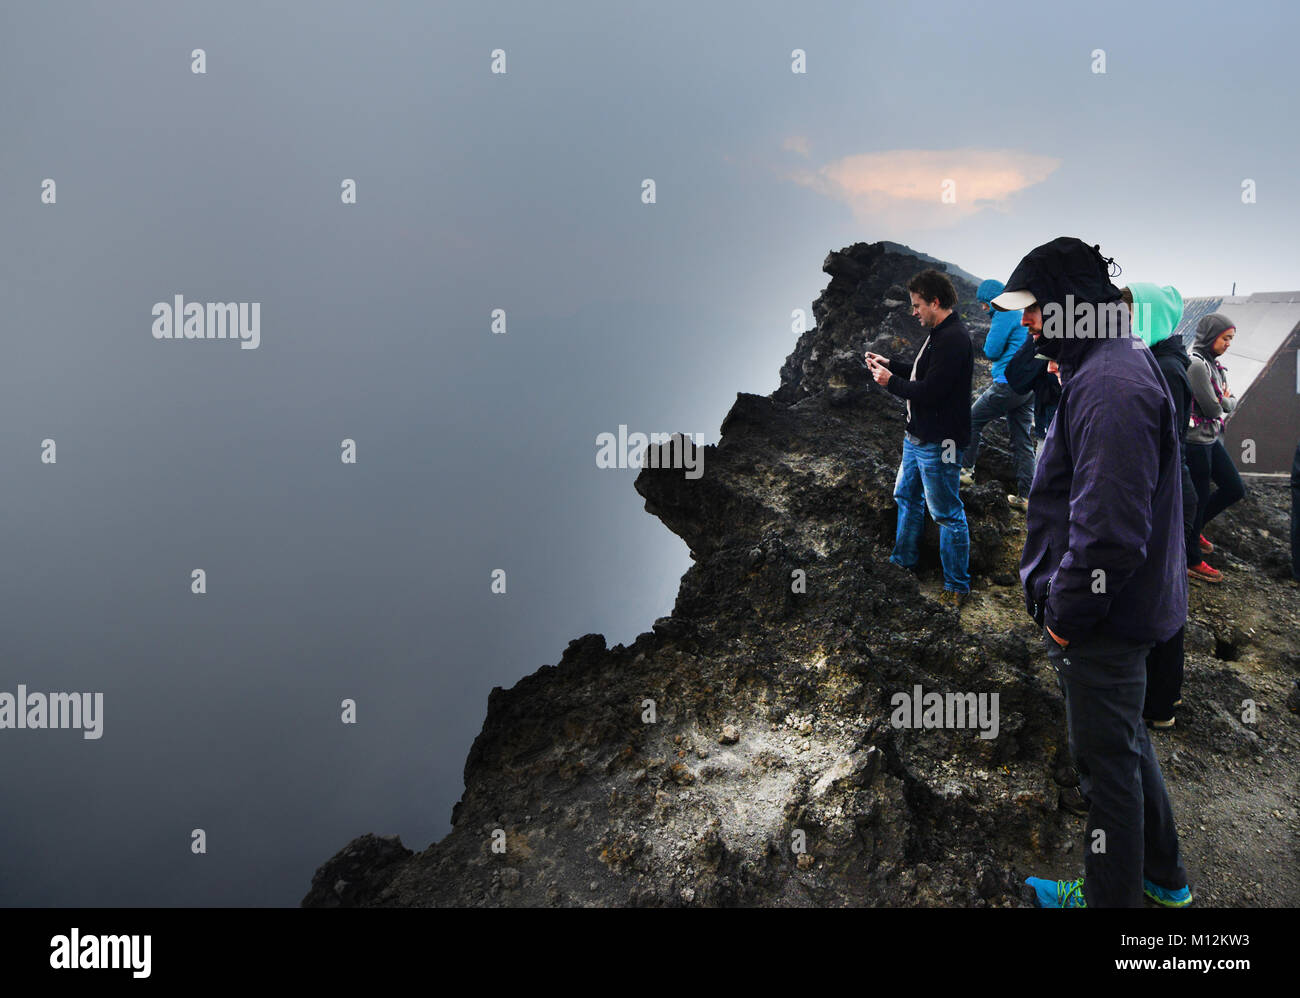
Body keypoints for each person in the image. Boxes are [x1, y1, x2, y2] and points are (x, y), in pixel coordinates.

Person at [993, 237, 1191, 909]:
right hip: (1126, 614)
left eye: (1034, 310)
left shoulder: (1110, 385)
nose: (1027, 323)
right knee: (1127, 742)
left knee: (1105, 772)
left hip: (1103, 622)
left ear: (1069, 306)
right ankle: (1163, 881)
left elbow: (1108, 536)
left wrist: (1065, 620)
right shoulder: (1110, 361)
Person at [865, 269, 973, 609]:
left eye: (917, 306)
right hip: (917, 438)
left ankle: (957, 587)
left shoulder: (954, 339)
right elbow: (923, 372)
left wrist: (888, 381)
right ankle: (903, 563)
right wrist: (892, 365)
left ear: (935, 302)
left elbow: (932, 391)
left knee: (946, 513)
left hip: (940, 443)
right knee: (906, 497)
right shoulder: (940, 333)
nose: (914, 312)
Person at [1124, 283, 1193, 727]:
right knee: (1162, 597)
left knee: (1160, 600)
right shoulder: (1163, 360)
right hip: (1168, 491)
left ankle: (1160, 705)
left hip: (1165, 495)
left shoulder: (1165, 369)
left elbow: (1157, 442)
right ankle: (1160, 698)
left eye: (1131, 314)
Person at [959, 280, 1035, 512]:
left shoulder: (1003, 313)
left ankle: (965, 471)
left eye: (984, 304)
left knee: (971, 419)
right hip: (1027, 385)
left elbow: (991, 350)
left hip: (1006, 384)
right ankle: (1027, 497)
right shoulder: (1019, 313)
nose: (983, 309)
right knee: (1022, 440)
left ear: (993, 300)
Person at [1187, 313, 1247, 582]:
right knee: (1196, 501)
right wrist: (1225, 400)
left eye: (1231, 339)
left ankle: (1194, 529)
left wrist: (1224, 401)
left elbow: (1223, 403)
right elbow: (1213, 408)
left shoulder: (1215, 365)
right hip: (1196, 442)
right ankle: (1191, 560)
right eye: (1225, 338)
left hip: (1210, 438)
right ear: (1211, 336)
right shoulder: (1197, 364)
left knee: (1234, 487)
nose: (1228, 344)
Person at [1003, 328, 1061, 471]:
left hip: (1047, 397)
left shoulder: (1047, 327)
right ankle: (1031, 489)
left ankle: (1033, 490)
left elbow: (993, 350)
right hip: (1049, 397)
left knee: (1045, 447)